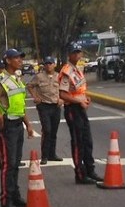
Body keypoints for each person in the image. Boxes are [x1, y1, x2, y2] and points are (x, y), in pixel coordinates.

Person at [0, 48, 34, 207]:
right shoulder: (0, 81)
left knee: (16, 163)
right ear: (8, 60)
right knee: (8, 164)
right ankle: (6, 201)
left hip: (18, 124)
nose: (20, 60)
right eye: (16, 58)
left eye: (20, 57)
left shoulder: (17, 79)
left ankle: (15, 195)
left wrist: (28, 124)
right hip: (8, 127)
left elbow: (20, 105)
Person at [59, 43, 103, 185]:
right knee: (78, 142)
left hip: (81, 108)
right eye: (75, 52)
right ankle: (80, 174)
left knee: (87, 140)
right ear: (69, 55)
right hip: (73, 109)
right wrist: (78, 102)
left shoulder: (77, 69)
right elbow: (63, 94)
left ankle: (90, 170)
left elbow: (78, 90)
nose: (78, 55)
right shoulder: (66, 71)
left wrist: (85, 98)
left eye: (79, 52)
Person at [26, 56, 63, 165]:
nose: (48, 65)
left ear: (54, 64)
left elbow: (64, 89)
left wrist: (61, 99)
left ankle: (52, 154)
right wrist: (35, 97)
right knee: (47, 130)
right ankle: (45, 156)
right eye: (46, 64)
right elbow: (30, 86)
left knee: (54, 131)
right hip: (44, 106)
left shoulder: (59, 76)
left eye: (50, 63)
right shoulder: (39, 77)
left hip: (55, 106)